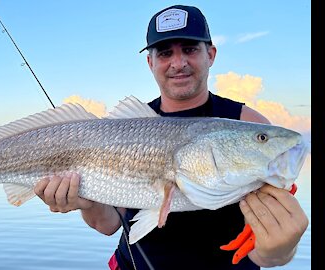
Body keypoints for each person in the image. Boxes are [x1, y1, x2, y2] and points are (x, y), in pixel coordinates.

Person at [33, 4, 309, 270]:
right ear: (150, 62)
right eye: (165, 53)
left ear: (210, 54)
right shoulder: (124, 128)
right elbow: (107, 225)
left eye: (190, 49)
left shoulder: (246, 122)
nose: (179, 63)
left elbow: (267, 247)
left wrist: (279, 250)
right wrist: (84, 199)